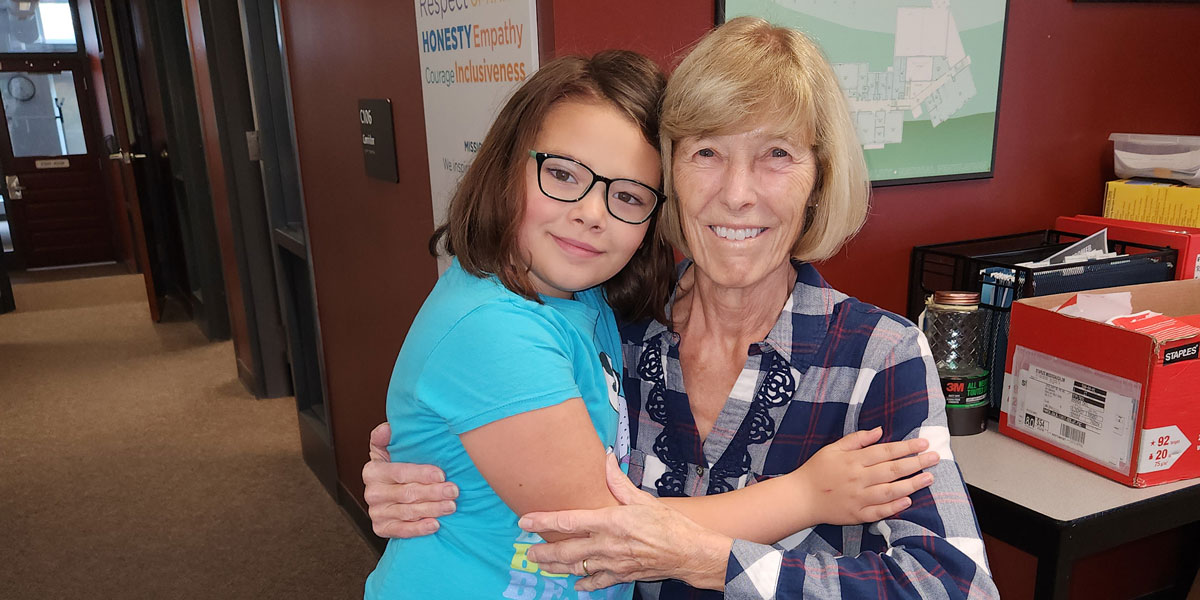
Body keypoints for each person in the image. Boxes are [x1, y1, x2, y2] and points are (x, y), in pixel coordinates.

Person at [364, 18, 998, 599]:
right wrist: (432, 471)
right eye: (706, 153)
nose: (737, 194)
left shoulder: (878, 354)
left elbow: (955, 588)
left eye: (776, 154)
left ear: (819, 182)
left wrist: (714, 560)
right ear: (669, 178)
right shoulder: (619, 319)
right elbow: (542, 477)